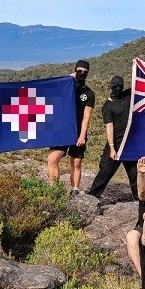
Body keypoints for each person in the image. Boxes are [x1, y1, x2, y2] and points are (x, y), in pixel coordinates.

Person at [47, 60, 95, 195]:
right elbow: (53, 92)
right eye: (79, 71)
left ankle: (75, 190)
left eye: (85, 72)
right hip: (62, 129)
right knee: (52, 159)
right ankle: (53, 189)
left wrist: (82, 136)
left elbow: (86, 117)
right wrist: (69, 78)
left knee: (76, 163)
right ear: (75, 70)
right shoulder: (67, 87)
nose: (82, 73)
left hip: (78, 131)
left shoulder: (89, 94)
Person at [87, 75, 137, 204]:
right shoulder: (108, 106)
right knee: (105, 173)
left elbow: (139, 86)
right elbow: (109, 127)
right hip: (115, 144)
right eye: (115, 87)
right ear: (111, 87)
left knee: (134, 175)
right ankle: (91, 198)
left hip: (129, 144)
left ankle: (139, 201)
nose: (118, 89)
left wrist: (136, 64)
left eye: (120, 86)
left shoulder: (127, 96)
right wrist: (112, 148)